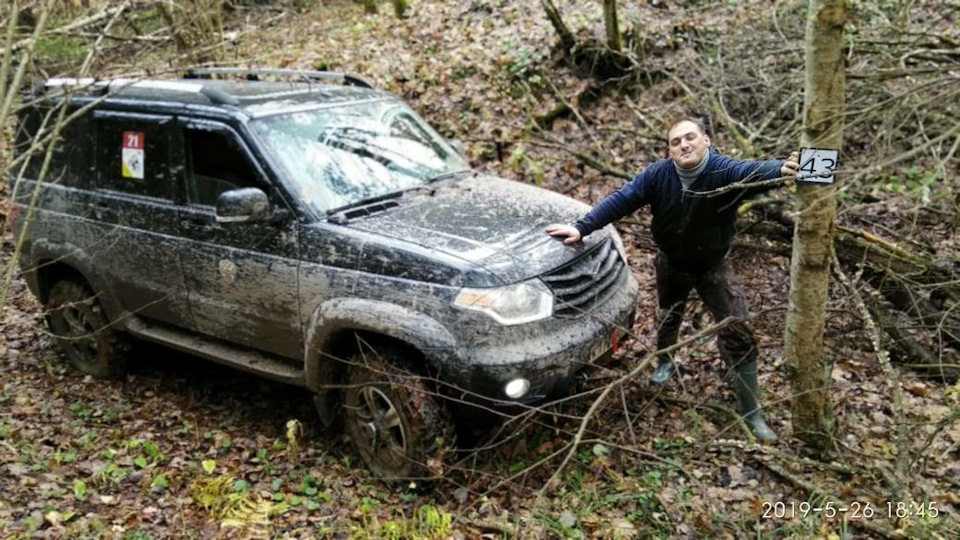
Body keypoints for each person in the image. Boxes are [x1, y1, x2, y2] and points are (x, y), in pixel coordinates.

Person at [546, 118, 800, 443]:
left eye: (690, 137)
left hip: (713, 266)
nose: (684, 144)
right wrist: (582, 227)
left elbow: (753, 171)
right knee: (668, 315)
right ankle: (665, 361)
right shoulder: (658, 174)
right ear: (669, 150)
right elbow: (623, 198)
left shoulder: (723, 171)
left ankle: (751, 412)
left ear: (706, 140)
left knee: (737, 327)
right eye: (676, 141)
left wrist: (792, 169)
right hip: (672, 263)